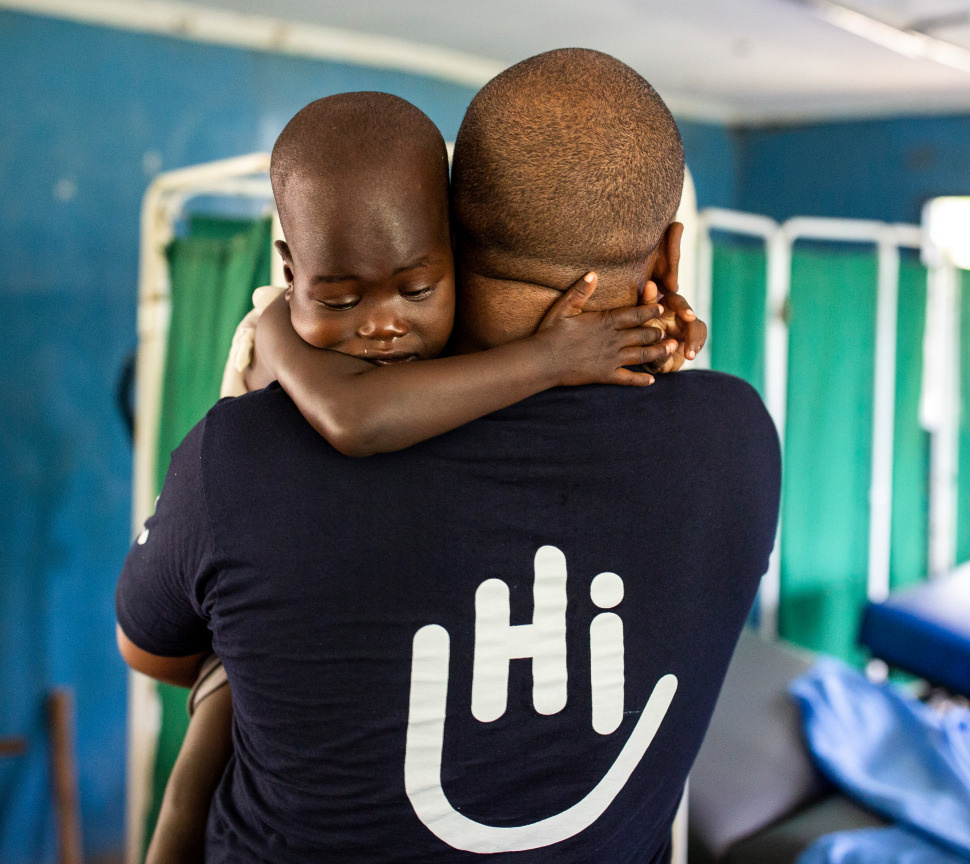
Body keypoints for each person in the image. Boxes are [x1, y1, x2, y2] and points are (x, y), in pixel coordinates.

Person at [117, 48, 781, 862]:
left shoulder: (244, 455)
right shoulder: (739, 440)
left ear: (446, 237)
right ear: (672, 258)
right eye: (341, 296)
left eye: (409, 289)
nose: (381, 323)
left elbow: (151, 649)